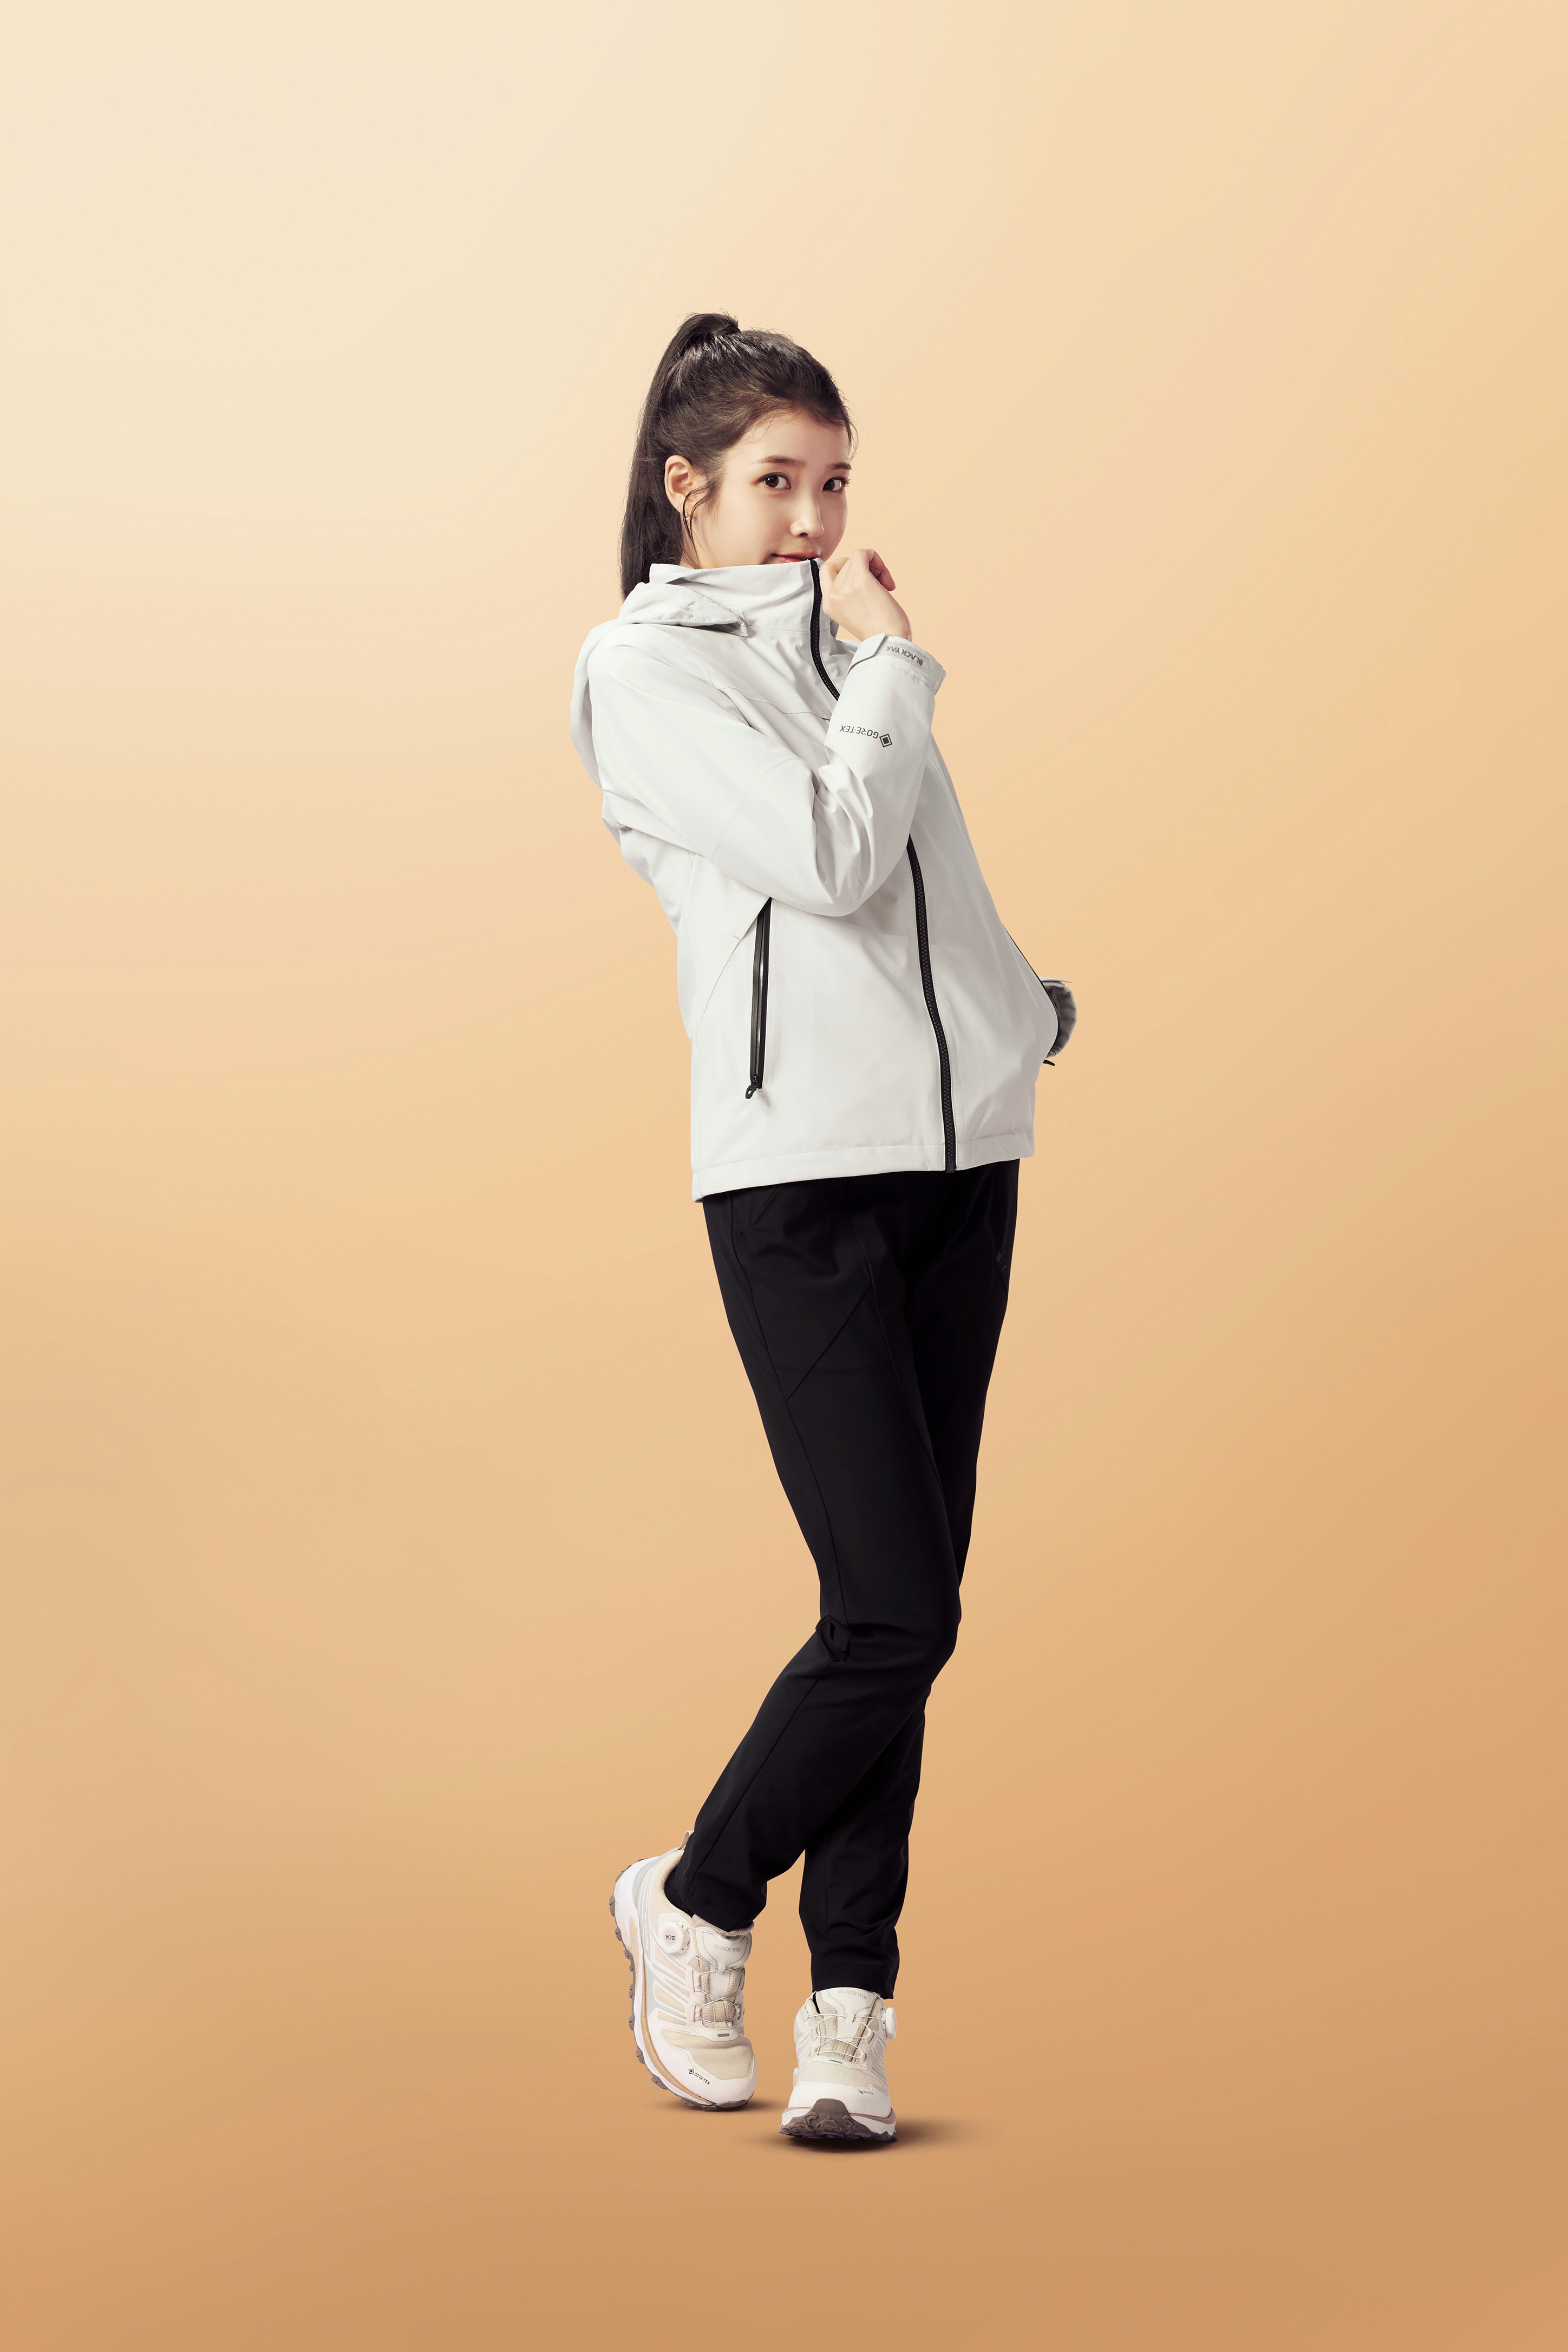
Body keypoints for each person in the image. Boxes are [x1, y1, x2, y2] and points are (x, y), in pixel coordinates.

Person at [572, 314, 1075, 2144]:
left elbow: (932, 897)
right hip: (799, 1178)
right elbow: (834, 854)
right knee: (895, 1606)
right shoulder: (647, 670)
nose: (811, 517)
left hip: (962, 1169)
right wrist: (898, 669)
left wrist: (1020, 1014)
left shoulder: (854, 664)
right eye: (776, 481)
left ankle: (849, 2010)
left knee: (901, 1624)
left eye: (835, 481)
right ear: (686, 489)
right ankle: (696, 1898)